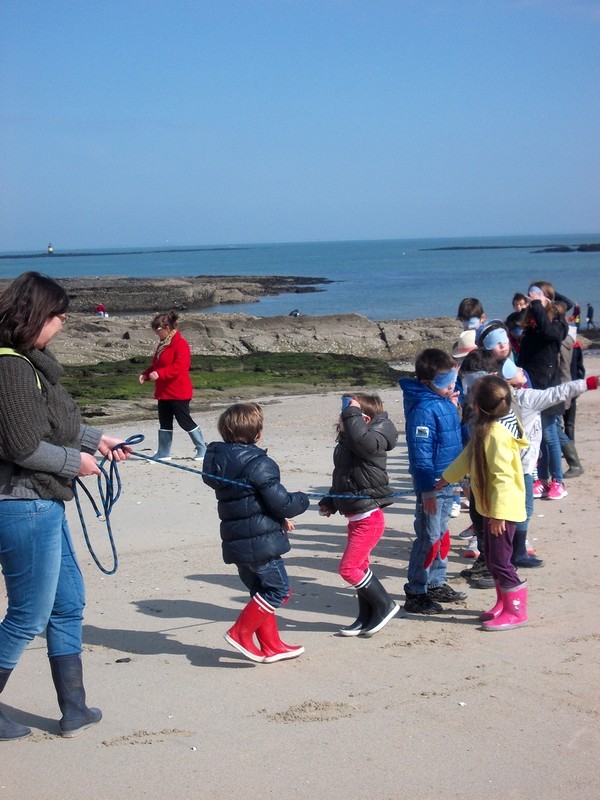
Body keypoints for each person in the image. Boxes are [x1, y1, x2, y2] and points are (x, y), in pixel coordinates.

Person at [0, 271, 131, 741]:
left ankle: (73, 708)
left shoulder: (30, 362)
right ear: (33, 314)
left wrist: (101, 440)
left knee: (67, 603)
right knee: (28, 615)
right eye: (57, 316)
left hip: (42, 501)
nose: (62, 324)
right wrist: (77, 463)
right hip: (21, 502)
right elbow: (21, 446)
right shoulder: (11, 367)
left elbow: (54, 426)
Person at [202, 403, 309, 663]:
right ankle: (240, 632)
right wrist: (302, 500)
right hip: (259, 544)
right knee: (279, 590)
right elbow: (280, 501)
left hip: (239, 542)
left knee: (261, 591)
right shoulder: (259, 463)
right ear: (258, 434)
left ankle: (271, 645)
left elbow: (255, 500)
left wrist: (279, 517)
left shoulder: (219, 461)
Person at [439, 375, 529, 631]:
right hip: (489, 507)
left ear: (477, 406)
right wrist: (446, 478)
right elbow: (467, 457)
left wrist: (499, 515)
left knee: (501, 561)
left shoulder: (497, 435)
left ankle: (516, 611)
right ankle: (503, 603)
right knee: (490, 558)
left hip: (503, 509)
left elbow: (503, 478)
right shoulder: (484, 429)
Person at [502, 359, 599, 567]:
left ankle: (505, 549)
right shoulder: (527, 398)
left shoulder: (496, 399)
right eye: (515, 370)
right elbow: (558, 392)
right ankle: (517, 553)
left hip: (504, 465)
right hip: (523, 467)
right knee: (524, 509)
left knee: (505, 509)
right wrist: (589, 383)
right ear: (511, 381)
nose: (521, 369)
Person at [318, 393, 399, 637]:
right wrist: (331, 501)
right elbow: (345, 479)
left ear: (361, 420)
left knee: (349, 568)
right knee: (360, 567)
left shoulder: (370, 442)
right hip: (355, 516)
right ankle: (365, 616)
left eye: (347, 415)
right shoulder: (347, 444)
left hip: (369, 518)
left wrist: (352, 414)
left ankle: (385, 605)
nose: (342, 419)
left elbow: (360, 438)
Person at [399, 348, 467, 615]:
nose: (451, 385)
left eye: (452, 379)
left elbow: (452, 437)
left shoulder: (443, 400)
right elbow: (420, 452)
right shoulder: (424, 409)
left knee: (442, 534)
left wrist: (453, 406)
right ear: (427, 383)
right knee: (428, 537)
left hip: (449, 479)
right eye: (444, 381)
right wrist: (427, 489)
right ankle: (416, 591)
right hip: (433, 485)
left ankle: (436, 582)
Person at [518, 282, 568, 500]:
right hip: (531, 386)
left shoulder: (557, 323)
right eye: (532, 296)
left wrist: (542, 303)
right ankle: (543, 479)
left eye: (538, 295)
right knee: (534, 436)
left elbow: (550, 332)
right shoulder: (532, 323)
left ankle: (558, 481)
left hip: (548, 387)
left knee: (549, 435)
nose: (533, 299)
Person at [139, 311, 206, 462]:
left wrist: (161, 374)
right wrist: (146, 374)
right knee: (164, 422)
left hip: (179, 392)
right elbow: (156, 365)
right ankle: (163, 453)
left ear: (167, 328)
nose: (156, 333)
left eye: (157, 330)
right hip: (164, 392)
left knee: (184, 421)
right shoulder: (162, 344)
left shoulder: (180, 344)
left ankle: (202, 448)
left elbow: (180, 367)